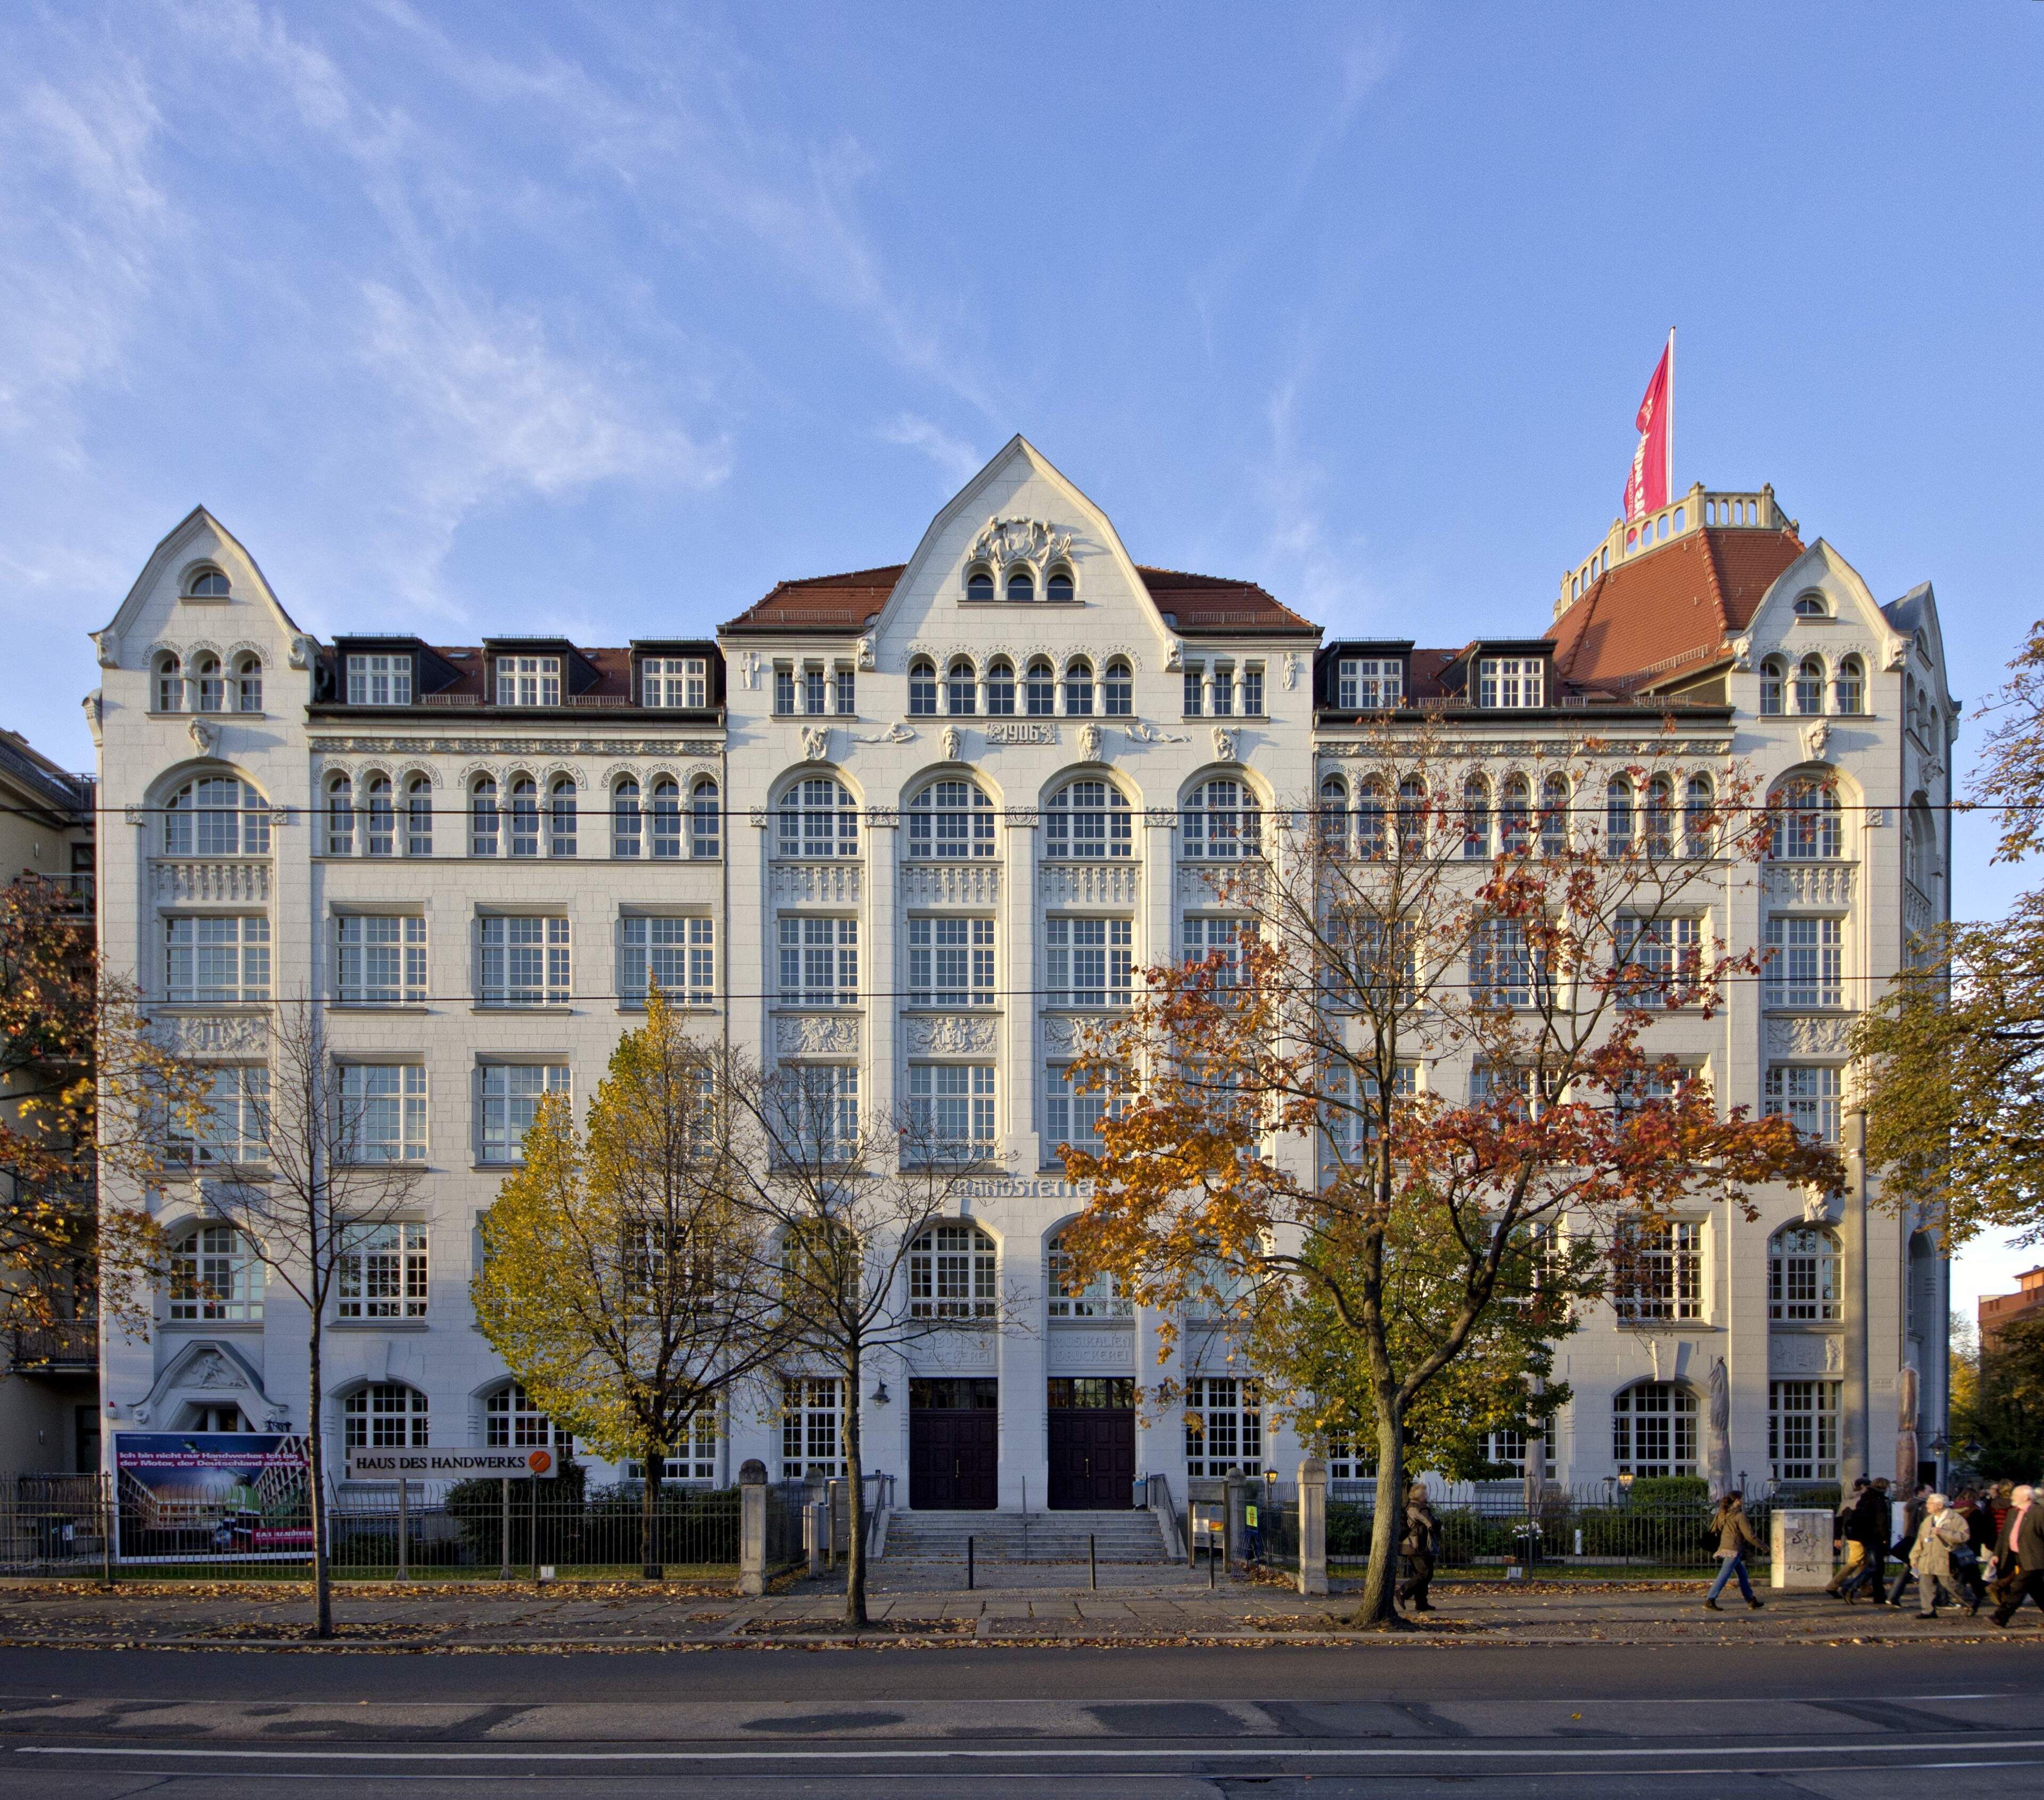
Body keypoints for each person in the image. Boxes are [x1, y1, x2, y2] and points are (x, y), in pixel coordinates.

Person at [1907, 1493, 1973, 1618]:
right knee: (1925, 1585)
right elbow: (1920, 1540)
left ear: (1940, 1505)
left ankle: (1971, 1602)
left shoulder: (1956, 1519)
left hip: (1945, 1558)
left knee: (1950, 1585)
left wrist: (1943, 1532)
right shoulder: (1928, 1520)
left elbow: (1964, 1536)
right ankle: (1928, 1610)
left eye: (1930, 1503)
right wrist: (1914, 1557)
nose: (1927, 1505)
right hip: (1927, 1558)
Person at [1990, 1483, 2044, 1628]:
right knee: (2037, 1589)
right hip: (2017, 1557)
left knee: (2018, 1588)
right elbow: (2004, 1536)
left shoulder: (2039, 1513)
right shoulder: (2013, 1512)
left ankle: (2000, 1617)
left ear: (2026, 1497)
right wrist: (1997, 1554)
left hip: (2035, 1559)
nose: (2012, 1497)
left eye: (2015, 1495)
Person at [1702, 1494, 1765, 1612]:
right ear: (1736, 1501)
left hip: (1725, 1547)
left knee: (1743, 1574)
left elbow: (1714, 1529)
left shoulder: (1722, 1514)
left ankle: (1751, 1600)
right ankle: (1710, 1599)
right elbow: (1750, 1536)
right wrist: (1764, 1547)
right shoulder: (1740, 1516)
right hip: (1734, 1548)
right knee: (1724, 1574)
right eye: (1741, 1499)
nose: (1743, 1501)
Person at [1837, 1477, 1892, 1604]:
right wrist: (1885, 1538)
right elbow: (1881, 1522)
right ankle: (1850, 1587)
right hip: (1875, 1537)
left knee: (1878, 1567)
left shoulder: (1865, 1498)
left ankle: (1879, 1595)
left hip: (1865, 1536)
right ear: (1884, 1487)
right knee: (1875, 1567)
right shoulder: (1878, 1501)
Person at [1885, 1482, 1932, 1608]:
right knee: (1915, 1570)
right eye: (1930, 1492)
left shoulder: (1911, 1504)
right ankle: (1936, 1599)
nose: (1931, 1495)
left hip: (1910, 1539)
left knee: (1909, 1570)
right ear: (1921, 1493)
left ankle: (1893, 1597)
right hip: (1917, 1540)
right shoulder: (1922, 1506)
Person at [1396, 1483, 1438, 1613]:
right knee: (1426, 1573)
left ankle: (1421, 1603)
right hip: (1419, 1546)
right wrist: (1438, 1525)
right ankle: (1403, 1592)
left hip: (1411, 1545)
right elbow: (1432, 1524)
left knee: (1421, 1574)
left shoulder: (1409, 1507)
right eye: (1424, 1494)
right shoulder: (1420, 1508)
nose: (1427, 1496)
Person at [1825, 1477, 1869, 1598]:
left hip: (1849, 1534)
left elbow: (1839, 1519)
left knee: (1865, 1561)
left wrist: (1838, 1537)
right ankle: (1833, 1586)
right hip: (1860, 1535)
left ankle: (1865, 1587)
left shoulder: (1847, 1500)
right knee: (1855, 1561)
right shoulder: (1863, 1499)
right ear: (1865, 1486)